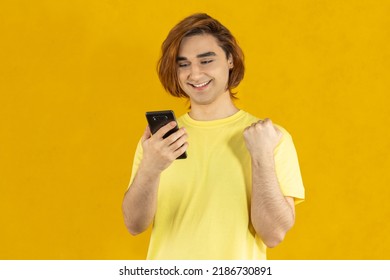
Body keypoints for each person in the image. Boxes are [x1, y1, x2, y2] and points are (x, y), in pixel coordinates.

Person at [122, 13, 305, 260]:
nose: (194, 74)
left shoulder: (271, 138)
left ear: (230, 60)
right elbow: (134, 225)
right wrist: (150, 168)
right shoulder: (161, 142)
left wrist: (261, 157)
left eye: (206, 61)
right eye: (183, 64)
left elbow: (273, 234)